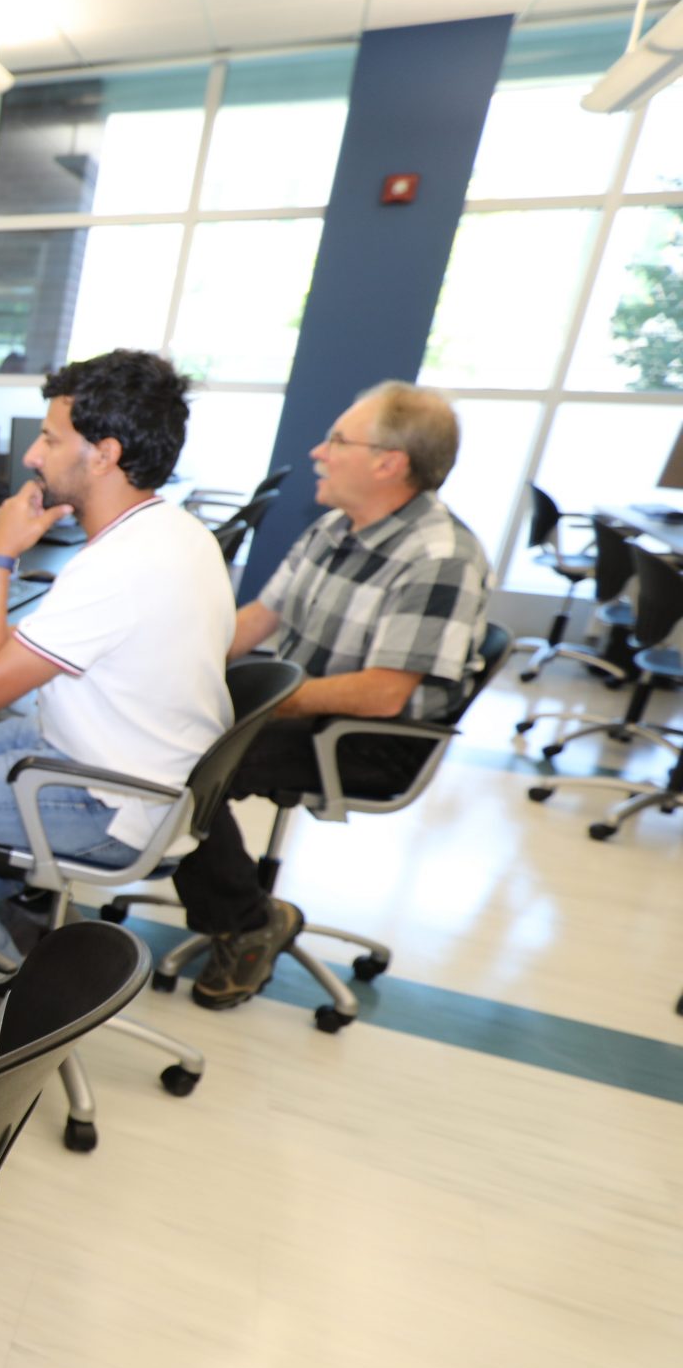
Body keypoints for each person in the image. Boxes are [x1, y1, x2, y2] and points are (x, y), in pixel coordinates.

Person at [0, 349, 234, 1041]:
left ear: (104, 454)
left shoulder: (116, 565)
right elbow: (95, 644)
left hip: (105, 796)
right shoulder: (174, 532)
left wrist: (0, 557)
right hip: (129, 761)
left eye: (49, 438)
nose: (35, 456)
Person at [172, 380, 490, 1009]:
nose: (319, 452)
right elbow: (258, 619)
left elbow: (380, 696)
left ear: (388, 463)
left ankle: (246, 919)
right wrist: (169, 664)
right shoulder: (334, 529)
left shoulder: (440, 557)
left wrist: (251, 707)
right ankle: (224, 888)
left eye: (337, 440)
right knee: (167, 727)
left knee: (187, 761)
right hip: (310, 705)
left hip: (368, 739)